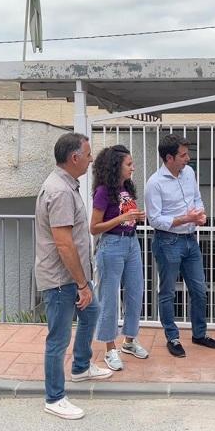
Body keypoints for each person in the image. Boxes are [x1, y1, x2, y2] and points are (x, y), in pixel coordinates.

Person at [35, 132, 113, 420]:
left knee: (92, 312)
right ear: (74, 158)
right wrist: (82, 283)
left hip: (73, 277)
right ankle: (54, 398)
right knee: (57, 339)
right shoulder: (60, 191)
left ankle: (81, 367)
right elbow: (64, 244)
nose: (92, 159)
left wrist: (84, 282)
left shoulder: (67, 185)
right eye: (88, 154)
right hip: (61, 280)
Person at [145, 133, 215, 357]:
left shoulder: (189, 172)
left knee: (200, 290)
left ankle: (199, 334)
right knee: (168, 292)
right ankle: (173, 337)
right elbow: (155, 220)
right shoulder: (155, 183)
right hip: (167, 241)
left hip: (190, 239)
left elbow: (196, 198)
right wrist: (185, 219)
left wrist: (201, 214)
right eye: (183, 155)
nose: (188, 158)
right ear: (169, 158)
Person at [90, 144, 149, 371]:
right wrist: (123, 216)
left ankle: (130, 341)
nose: (133, 168)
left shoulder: (126, 188)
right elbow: (94, 227)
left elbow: (126, 217)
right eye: (129, 164)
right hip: (112, 245)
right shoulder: (103, 191)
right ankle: (109, 349)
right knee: (109, 298)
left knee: (136, 292)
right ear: (116, 166)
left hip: (131, 242)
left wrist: (134, 217)